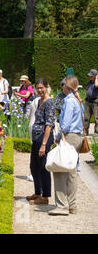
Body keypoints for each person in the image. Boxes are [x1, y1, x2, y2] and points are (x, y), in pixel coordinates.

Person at [51, 75, 84, 215]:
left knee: (59, 169)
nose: (61, 86)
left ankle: (61, 206)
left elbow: (65, 123)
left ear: (68, 86)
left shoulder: (69, 101)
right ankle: (72, 205)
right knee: (71, 172)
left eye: (63, 84)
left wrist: (58, 137)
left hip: (69, 137)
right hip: (77, 137)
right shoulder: (78, 101)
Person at [26, 78, 55, 205]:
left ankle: (45, 196)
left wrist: (44, 144)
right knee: (34, 166)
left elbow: (49, 124)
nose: (39, 90)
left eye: (42, 87)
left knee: (43, 167)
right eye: (37, 88)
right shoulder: (39, 101)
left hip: (44, 138)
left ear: (47, 87)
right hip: (37, 138)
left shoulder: (49, 102)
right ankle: (38, 192)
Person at [84, 69, 98, 136]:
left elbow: (96, 85)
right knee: (86, 117)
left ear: (95, 76)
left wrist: (97, 78)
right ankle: (85, 131)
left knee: (96, 118)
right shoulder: (89, 82)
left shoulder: (96, 82)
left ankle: (96, 132)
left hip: (95, 101)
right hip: (88, 101)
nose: (89, 77)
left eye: (91, 76)